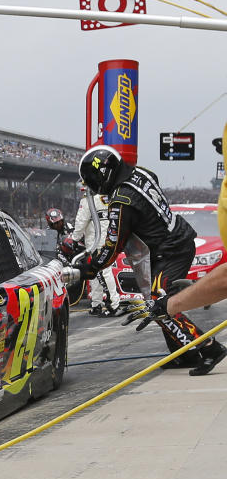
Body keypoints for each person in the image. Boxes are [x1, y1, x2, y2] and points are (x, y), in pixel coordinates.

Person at [73, 145, 227, 376]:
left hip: (170, 250)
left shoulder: (121, 200)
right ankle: (184, 353)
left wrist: (90, 267)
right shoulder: (141, 172)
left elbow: (112, 246)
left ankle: (209, 348)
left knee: (157, 303)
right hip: (173, 241)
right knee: (159, 300)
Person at [71, 187, 120, 317]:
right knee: (95, 273)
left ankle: (114, 305)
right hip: (108, 240)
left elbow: (81, 221)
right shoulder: (108, 197)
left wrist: (74, 239)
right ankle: (96, 304)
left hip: (95, 242)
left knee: (103, 272)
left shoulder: (88, 200)